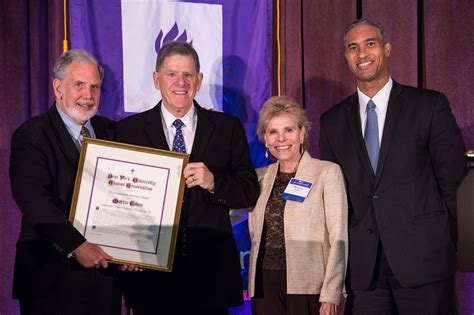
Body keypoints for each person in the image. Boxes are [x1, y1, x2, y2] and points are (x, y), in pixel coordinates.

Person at [319, 18, 466, 314]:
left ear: (387, 49)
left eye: (370, 44)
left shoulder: (429, 105)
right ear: (346, 56)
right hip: (364, 271)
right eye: (353, 47)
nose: (362, 54)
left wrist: (445, 242)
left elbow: (454, 181)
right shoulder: (331, 121)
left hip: (424, 263)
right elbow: (334, 198)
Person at [115, 41, 259, 315]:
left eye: (188, 74)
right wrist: (123, 251)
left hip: (211, 277)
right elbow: (119, 200)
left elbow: (249, 191)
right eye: (171, 74)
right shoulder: (128, 131)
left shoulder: (227, 128)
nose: (180, 82)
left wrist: (214, 182)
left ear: (199, 80)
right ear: (157, 80)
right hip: (150, 276)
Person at [9, 50, 121, 314]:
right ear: (58, 88)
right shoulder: (31, 135)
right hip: (50, 278)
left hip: (104, 280)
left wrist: (136, 251)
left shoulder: (112, 132)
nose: (88, 95)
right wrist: (76, 245)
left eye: (95, 87)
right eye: (79, 85)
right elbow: (34, 200)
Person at [247, 96, 348, 315]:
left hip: (309, 287)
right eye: (273, 132)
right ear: (265, 138)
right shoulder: (258, 178)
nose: (281, 138)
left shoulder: (327, 173)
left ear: (302, 133)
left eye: (289, 130)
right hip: (264, 286)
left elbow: (338, 237)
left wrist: (331, 293)